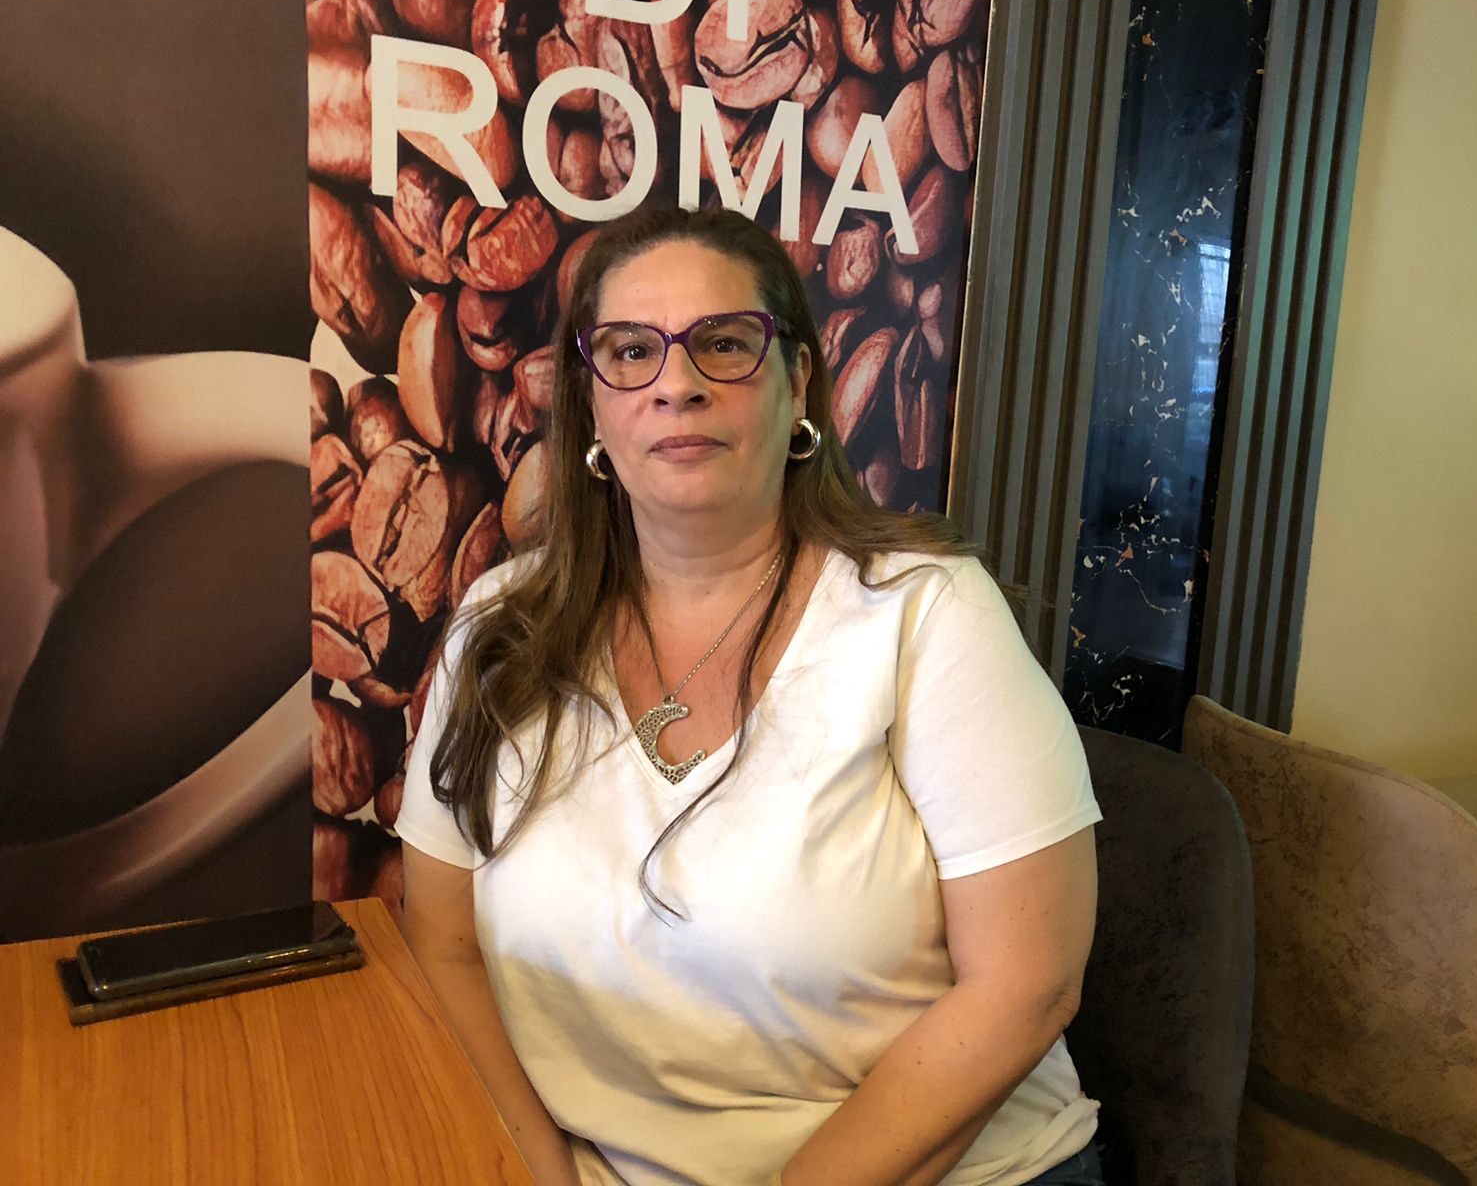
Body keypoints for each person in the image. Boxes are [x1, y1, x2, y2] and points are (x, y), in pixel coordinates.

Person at [395, 204, 1104, 1186]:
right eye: (630, 352)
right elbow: (441, 943)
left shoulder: (925, 613)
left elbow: (1028, 986)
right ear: (588, 403)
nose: (676, 383)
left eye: (724, 344)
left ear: (797, 380)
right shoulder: (497, 630)